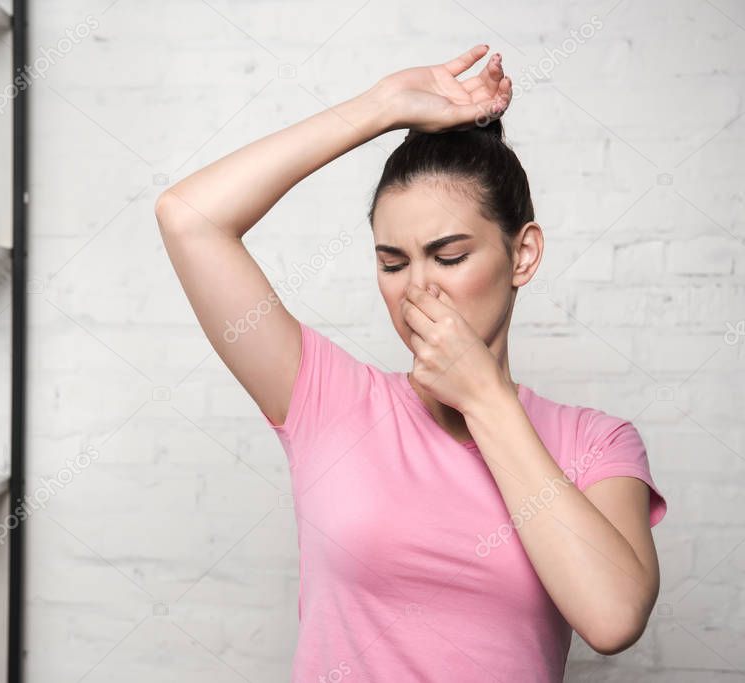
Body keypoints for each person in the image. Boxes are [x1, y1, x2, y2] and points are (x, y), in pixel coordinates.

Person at [155, 44, 666, 682]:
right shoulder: (328, 401)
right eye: (392, 263)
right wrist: (381, 108)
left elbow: (614, 617)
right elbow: (188, 219)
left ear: (523, 255)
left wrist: (484, 398)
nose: (416, 289)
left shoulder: (595, 442)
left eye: (449, 256)